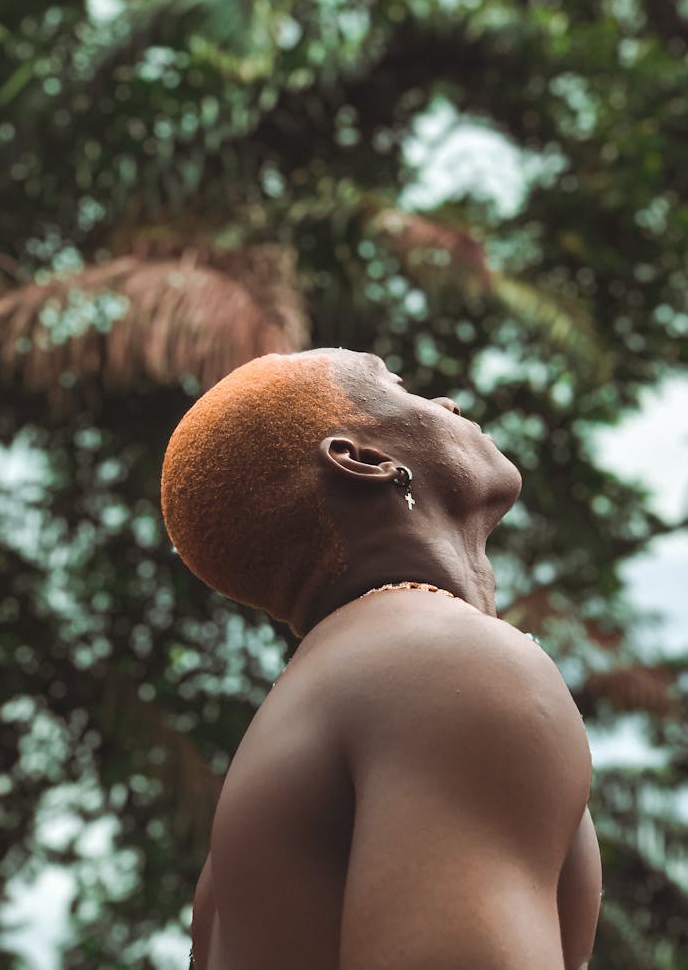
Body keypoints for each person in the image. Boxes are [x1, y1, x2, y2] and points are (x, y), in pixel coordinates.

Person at [161, 348, 601, 970]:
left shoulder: (263, 783)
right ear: (364, 460)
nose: (446, 402)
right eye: (400, 388)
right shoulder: (444, 664)